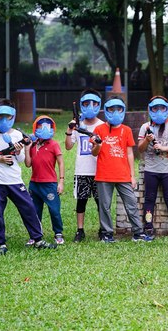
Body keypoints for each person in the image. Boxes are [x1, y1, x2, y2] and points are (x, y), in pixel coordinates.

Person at [0, 98, 56, 255]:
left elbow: (20, 160)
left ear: (12, 116)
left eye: (7, 117)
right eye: (0, 117)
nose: (3, 120)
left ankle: (38, 239)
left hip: (14, 180)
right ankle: (1, 243)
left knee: (28, 208)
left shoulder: (16, 135)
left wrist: (21, 150)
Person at [91, 97, 147, 243]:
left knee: (131, 204)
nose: (115, 112)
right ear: (106, 110)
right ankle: (107, 234)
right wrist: (98, 145)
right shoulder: (99, 129)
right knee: (104, 207)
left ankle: (138, 233)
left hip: (123, 175)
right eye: (111, 109)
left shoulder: (126, 130)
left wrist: (132, 175)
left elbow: (129, 153)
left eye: (119, 109)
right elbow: (94, 153)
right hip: (104, 175)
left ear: (123, 110)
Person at [138, 96, 168, 238]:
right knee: (149, 198)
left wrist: (163, 148)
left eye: (162, 108)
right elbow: (140, 149)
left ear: (167, 109)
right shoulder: (145, 127)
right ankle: (148, 226)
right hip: (151, 170)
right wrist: (147, 139)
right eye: (155, 108)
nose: (158, 111)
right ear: (150, 110)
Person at [65, 89, 104, 242]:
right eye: (86, 103)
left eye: (94, 104)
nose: (90, 107)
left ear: (99, 105)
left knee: (101, 202)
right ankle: (80, 230)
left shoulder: (102, 125)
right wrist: (69, 130)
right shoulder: (77, 125)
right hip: (82, 170)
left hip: (99, 171)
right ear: (81, 104)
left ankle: (103, 228)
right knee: (81, 201)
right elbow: (68, 146)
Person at [24, 115, 65, 245]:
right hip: (34, 184)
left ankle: (58, 233)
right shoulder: (33, 145)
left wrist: (61, 181)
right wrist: (27, 148)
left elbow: (61, 163)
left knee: (54, 210)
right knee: (35, 211)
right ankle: (35, 235)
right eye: (41, 126)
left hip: (50, 184)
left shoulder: (54, 145)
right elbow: (28, 164)